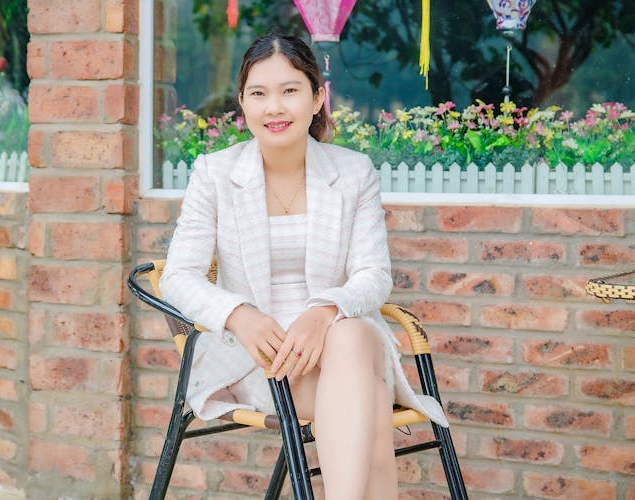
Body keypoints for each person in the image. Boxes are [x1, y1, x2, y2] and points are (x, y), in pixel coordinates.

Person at [160, 33, 449, 499]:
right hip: (259, 357)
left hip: (343, 348)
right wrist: (241, 315)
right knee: (372, 398)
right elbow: (177, 276)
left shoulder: (353, 172)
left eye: (290, 90)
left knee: (351, 333)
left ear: (318, 98)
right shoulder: (214, 174)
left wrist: (324, 313)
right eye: (259, 93)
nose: (274, 107)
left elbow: (374, 276)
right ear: (243, 103)